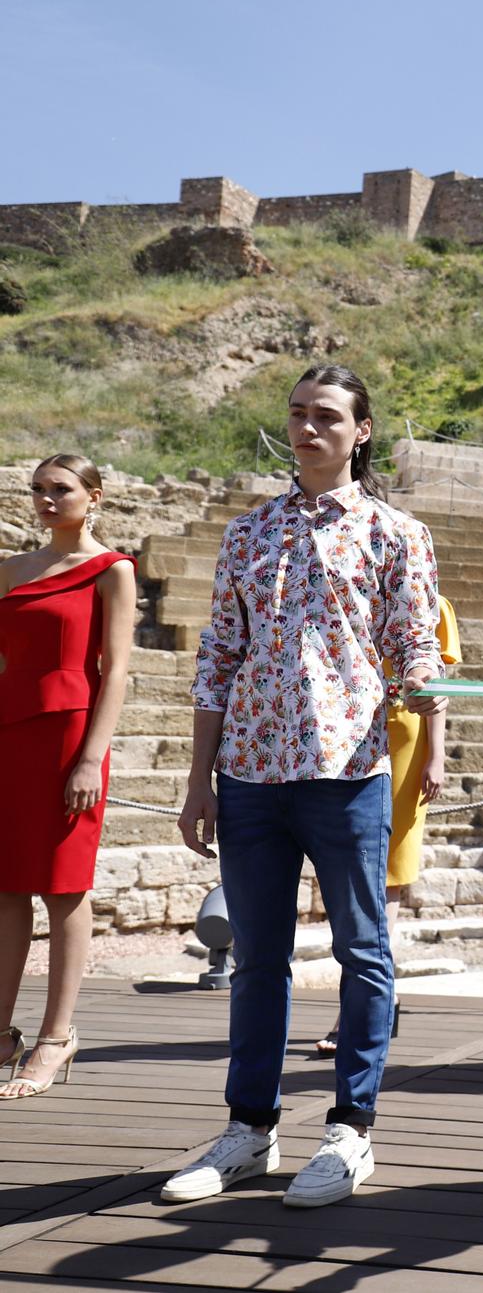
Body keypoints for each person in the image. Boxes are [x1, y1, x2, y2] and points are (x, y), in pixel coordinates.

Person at [166, 364, 444, 1209]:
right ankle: (250, 1127)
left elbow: (417, 649)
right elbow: (218, 656)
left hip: (347, 767)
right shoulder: (247, 533)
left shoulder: (398, 532)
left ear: (362, 431)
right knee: (258, 960)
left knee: (364, 952)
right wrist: (197, 779)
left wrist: (433, 738)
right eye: (296, 414)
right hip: (249, 770)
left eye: (327, 415)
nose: (307, 428)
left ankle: (351, 1128)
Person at [0, 456, 136, 1099]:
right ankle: (1, 1034)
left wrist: (90, 757)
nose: (47, 500)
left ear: (94, 497)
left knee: (62, 888)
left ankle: (56, 1036)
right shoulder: (10, 571)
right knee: (4, 890)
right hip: (9, 734)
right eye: (38, 490)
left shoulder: (112, 570)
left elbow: (116, 672)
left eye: (61, 489)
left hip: (69, 738)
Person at [314, 594, 460, 1058]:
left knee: (387, 874)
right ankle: (383, 997)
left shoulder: (434, 603)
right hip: (348, 732)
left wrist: (436, 756)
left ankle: (355, 1010)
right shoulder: (344, 591)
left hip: (403, 737)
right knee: (354, 866)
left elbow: (439, 686)